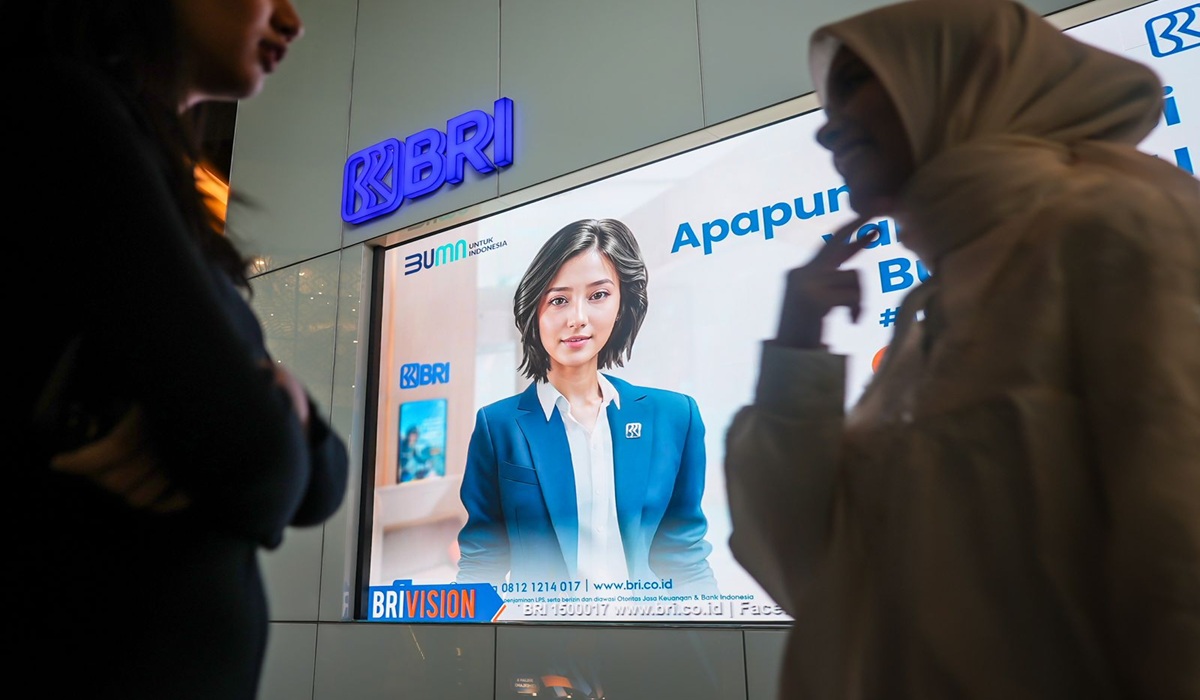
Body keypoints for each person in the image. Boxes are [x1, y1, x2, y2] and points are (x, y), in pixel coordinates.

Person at [723, 0, 1200, 697]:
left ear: (966, 81)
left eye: (858, 83)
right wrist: (797, 346)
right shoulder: (936, 306)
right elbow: (818, 572)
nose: (828, 131)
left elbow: (1181, 565)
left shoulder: (1122, 225)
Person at [12, 1, 349, 699]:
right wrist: (269, 423)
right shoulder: (68, 114)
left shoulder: (159, 180)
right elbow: (258, 460)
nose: (292, 20)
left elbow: (320, 481)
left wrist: (274, 406)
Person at [456, 218, 718, 593]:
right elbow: (483, 561)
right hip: (539, 640)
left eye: (598, 296)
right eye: (559, 300)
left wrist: (718, 637)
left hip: (652, 640)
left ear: (621, 303)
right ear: (536, 310)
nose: (577, 318)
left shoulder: (676, 417)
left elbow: (684, 556)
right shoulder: (497, 426)